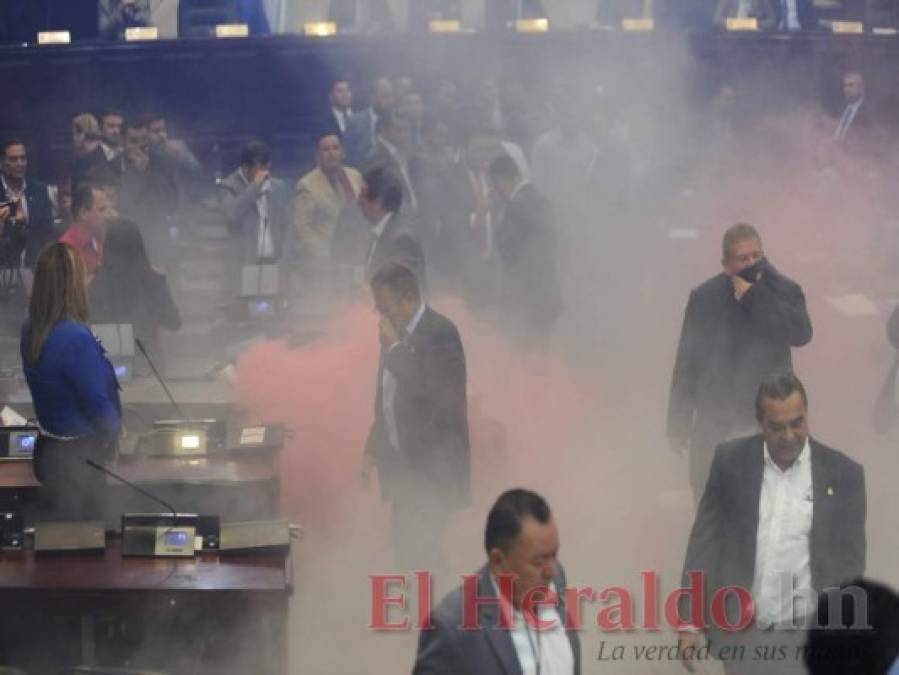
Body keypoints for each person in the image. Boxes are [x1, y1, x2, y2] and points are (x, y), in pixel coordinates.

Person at [678, 373, 866, 675]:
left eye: (797, 423)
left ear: (807, 415)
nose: (789, 435)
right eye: (777, 427)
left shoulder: (844, 475)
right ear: (760, 422)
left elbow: (851, 563)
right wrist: (689, 622)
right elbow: (705, 544)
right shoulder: (730, 462)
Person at [667, 223, 812, 499]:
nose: (751, 264)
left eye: (756, 257)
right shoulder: (705, 297)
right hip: (715, 418)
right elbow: (687, 360)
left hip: (766, 419)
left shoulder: (784, 289)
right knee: (710, 501)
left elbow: (801, 334)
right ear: (726, 264)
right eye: (742, 259)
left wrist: (753, 297)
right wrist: (678, 422)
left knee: (766, 504)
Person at [362, 262, 469, 572]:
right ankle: (429, 611)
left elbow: (430, 394)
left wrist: (395, 348)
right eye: (378, 309)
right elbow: (388, 397)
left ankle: (446, 611)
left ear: (409, 298)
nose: (382, 316)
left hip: (435, 468)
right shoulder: (394, 334)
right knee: (405, 551)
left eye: (386, 308)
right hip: (405, 470)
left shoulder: (440, 333)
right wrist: (373, 446)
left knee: (419, 551)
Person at [414, 489, 580, 674]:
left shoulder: (555, 580)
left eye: (554, 555)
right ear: (498, 561)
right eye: (539, 562)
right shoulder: (451, 628)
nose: (552, 570)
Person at [21, 243, 121, 522]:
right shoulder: (75, 337)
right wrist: (116, 434)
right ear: (72, 284)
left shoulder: (30, 327)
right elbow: (98, 405)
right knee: (89, 550)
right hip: (80, 461)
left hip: (49, 452)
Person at [90, 218, 181, 372]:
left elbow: (87, 323)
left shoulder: (95, 283)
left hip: (108, 365)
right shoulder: (154, 279)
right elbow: (174, 322)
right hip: (148, 364)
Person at [490, 153, 562, 348]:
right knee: (540, 354)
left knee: (523, 357)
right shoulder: (543, 199)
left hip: (525, 298)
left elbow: (508, 253)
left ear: (501, 180)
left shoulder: (515, 207)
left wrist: (498, 227)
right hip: (548, 292)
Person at [218, 139, 292, 294]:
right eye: (260, 168)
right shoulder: (228, 186)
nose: (265, 173)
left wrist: (284, 259)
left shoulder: (278, 186)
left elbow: (287, 226)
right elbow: (231, 215)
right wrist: (254, 187)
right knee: (248, 312)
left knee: (274, 313)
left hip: (273, 263)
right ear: (245, 167)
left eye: (267, 167)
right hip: (245, 264)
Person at [294, 132, 363, 292]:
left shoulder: (355, 176)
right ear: (317, 156)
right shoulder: (307, 185)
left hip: (356, 257)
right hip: (324, 264)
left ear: (343, 152)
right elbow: (302, 229)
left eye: (335, 148)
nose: (331, 153)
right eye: (325, 149)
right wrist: (326, 255)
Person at [358, 166, 425, 286]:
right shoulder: (380, 231)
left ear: (378, 203)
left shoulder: (402, 239)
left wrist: (366, 291)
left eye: (362, 195)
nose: (358, 200)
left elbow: (400, 289)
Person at [0, 139, 53, 270]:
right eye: (13, 159)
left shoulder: (39, 190)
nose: (20, 163)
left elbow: (47, 233)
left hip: (34, 270)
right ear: (1, 163)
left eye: (23, 158)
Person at [362, 110, 420, 217]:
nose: (404, 135)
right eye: (399, 130)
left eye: (406, 130)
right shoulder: (376, 157)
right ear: (385, 130)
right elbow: (379, 194)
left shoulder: (402, 152)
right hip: (393, 220)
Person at [59, 183, 117, 276]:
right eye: (102, 210)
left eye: (108, 209)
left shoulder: (101, 237)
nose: (108, 215)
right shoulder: (66, 252)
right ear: (83, 213)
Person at [343, 77, 395, 166]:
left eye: (390, 96)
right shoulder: (354, 121)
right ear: (373, 96)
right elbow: (347, 156)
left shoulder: (396, 122)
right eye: (385, 96)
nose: (389, 101)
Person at [328, 0, 394, 33]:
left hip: (374, 48)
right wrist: (347, 30)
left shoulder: (378, 1)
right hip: (345, 48)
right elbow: (330, 26)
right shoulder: (338, 2)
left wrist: (378, 27)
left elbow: (389, 25)